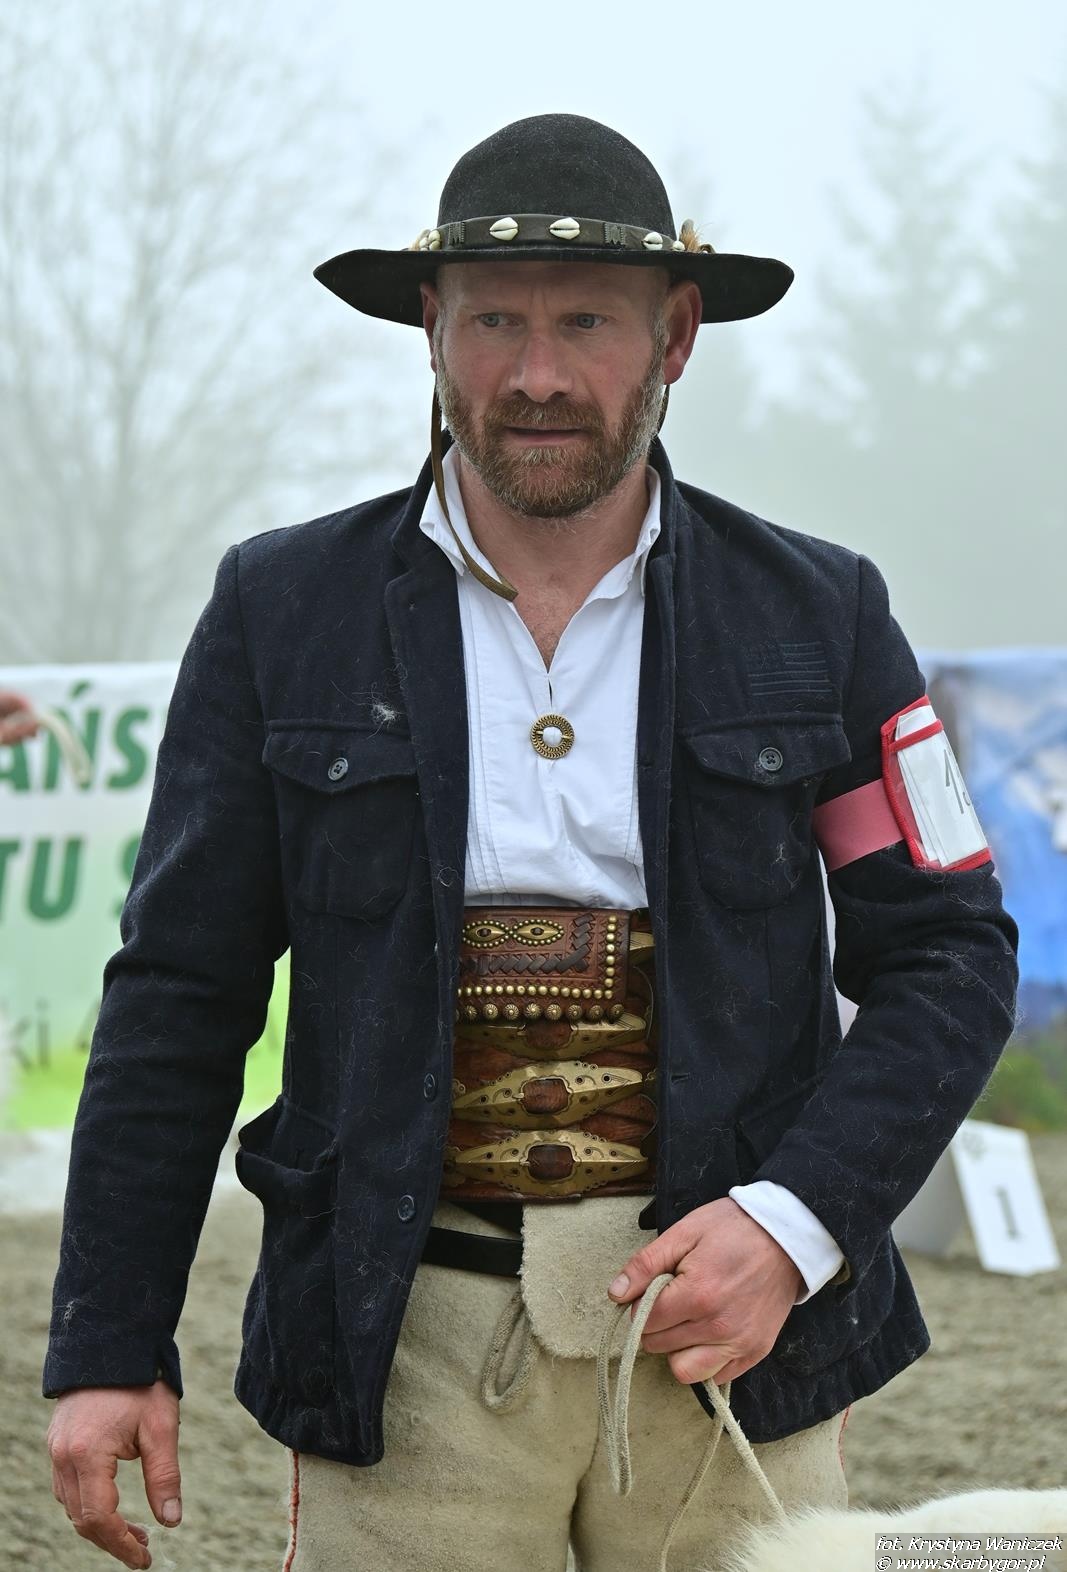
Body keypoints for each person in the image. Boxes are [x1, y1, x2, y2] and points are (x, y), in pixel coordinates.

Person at [43, 114, 1018, 1572]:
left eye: (587, 323)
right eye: (494, 318)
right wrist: (109, 1342)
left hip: (736, 1339)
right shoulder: (281, 611)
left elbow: (948, 952)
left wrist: (794, 1226)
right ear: (431, 332)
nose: (538, 374)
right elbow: (180, 992)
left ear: (675, 337)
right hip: (396, 1347)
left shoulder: (822, 617)